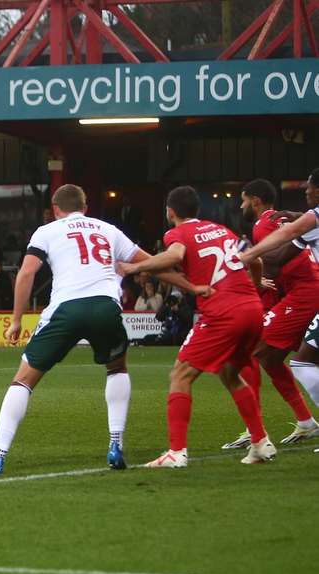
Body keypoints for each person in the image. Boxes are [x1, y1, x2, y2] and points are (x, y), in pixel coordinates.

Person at [0, 184, 206, 475]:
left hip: (66, 309)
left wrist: (17, 320)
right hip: (105, 307)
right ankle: (115, 444)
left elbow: (27, 272)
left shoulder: (47, 231)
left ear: (56, 210)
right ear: (85, 208)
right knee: (117, 368)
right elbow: (153, 264)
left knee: (23, 381)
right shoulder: (108, 229)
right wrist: (191, 286)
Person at [118, 185, 275, 468]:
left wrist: (132, 268)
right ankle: (260, 441)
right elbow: (257, 260)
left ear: (170, 212)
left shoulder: (177, 233)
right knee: (229, 373)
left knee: (181, 374)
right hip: (252, 309)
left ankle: (176, 453)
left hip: (223, 311)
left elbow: (176, 256)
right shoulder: (221, 229)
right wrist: (251, 290)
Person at [221, 179, 319, 450]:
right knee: (274, 359)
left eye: (243, 200)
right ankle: (306, 421)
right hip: (303, 293)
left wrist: (255, 272)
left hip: (303, 294)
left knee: (253, 352)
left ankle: (256, 431)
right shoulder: (285, 221)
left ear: (255, 200)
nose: (241, 206)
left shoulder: (263, 224)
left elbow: (273, 263)